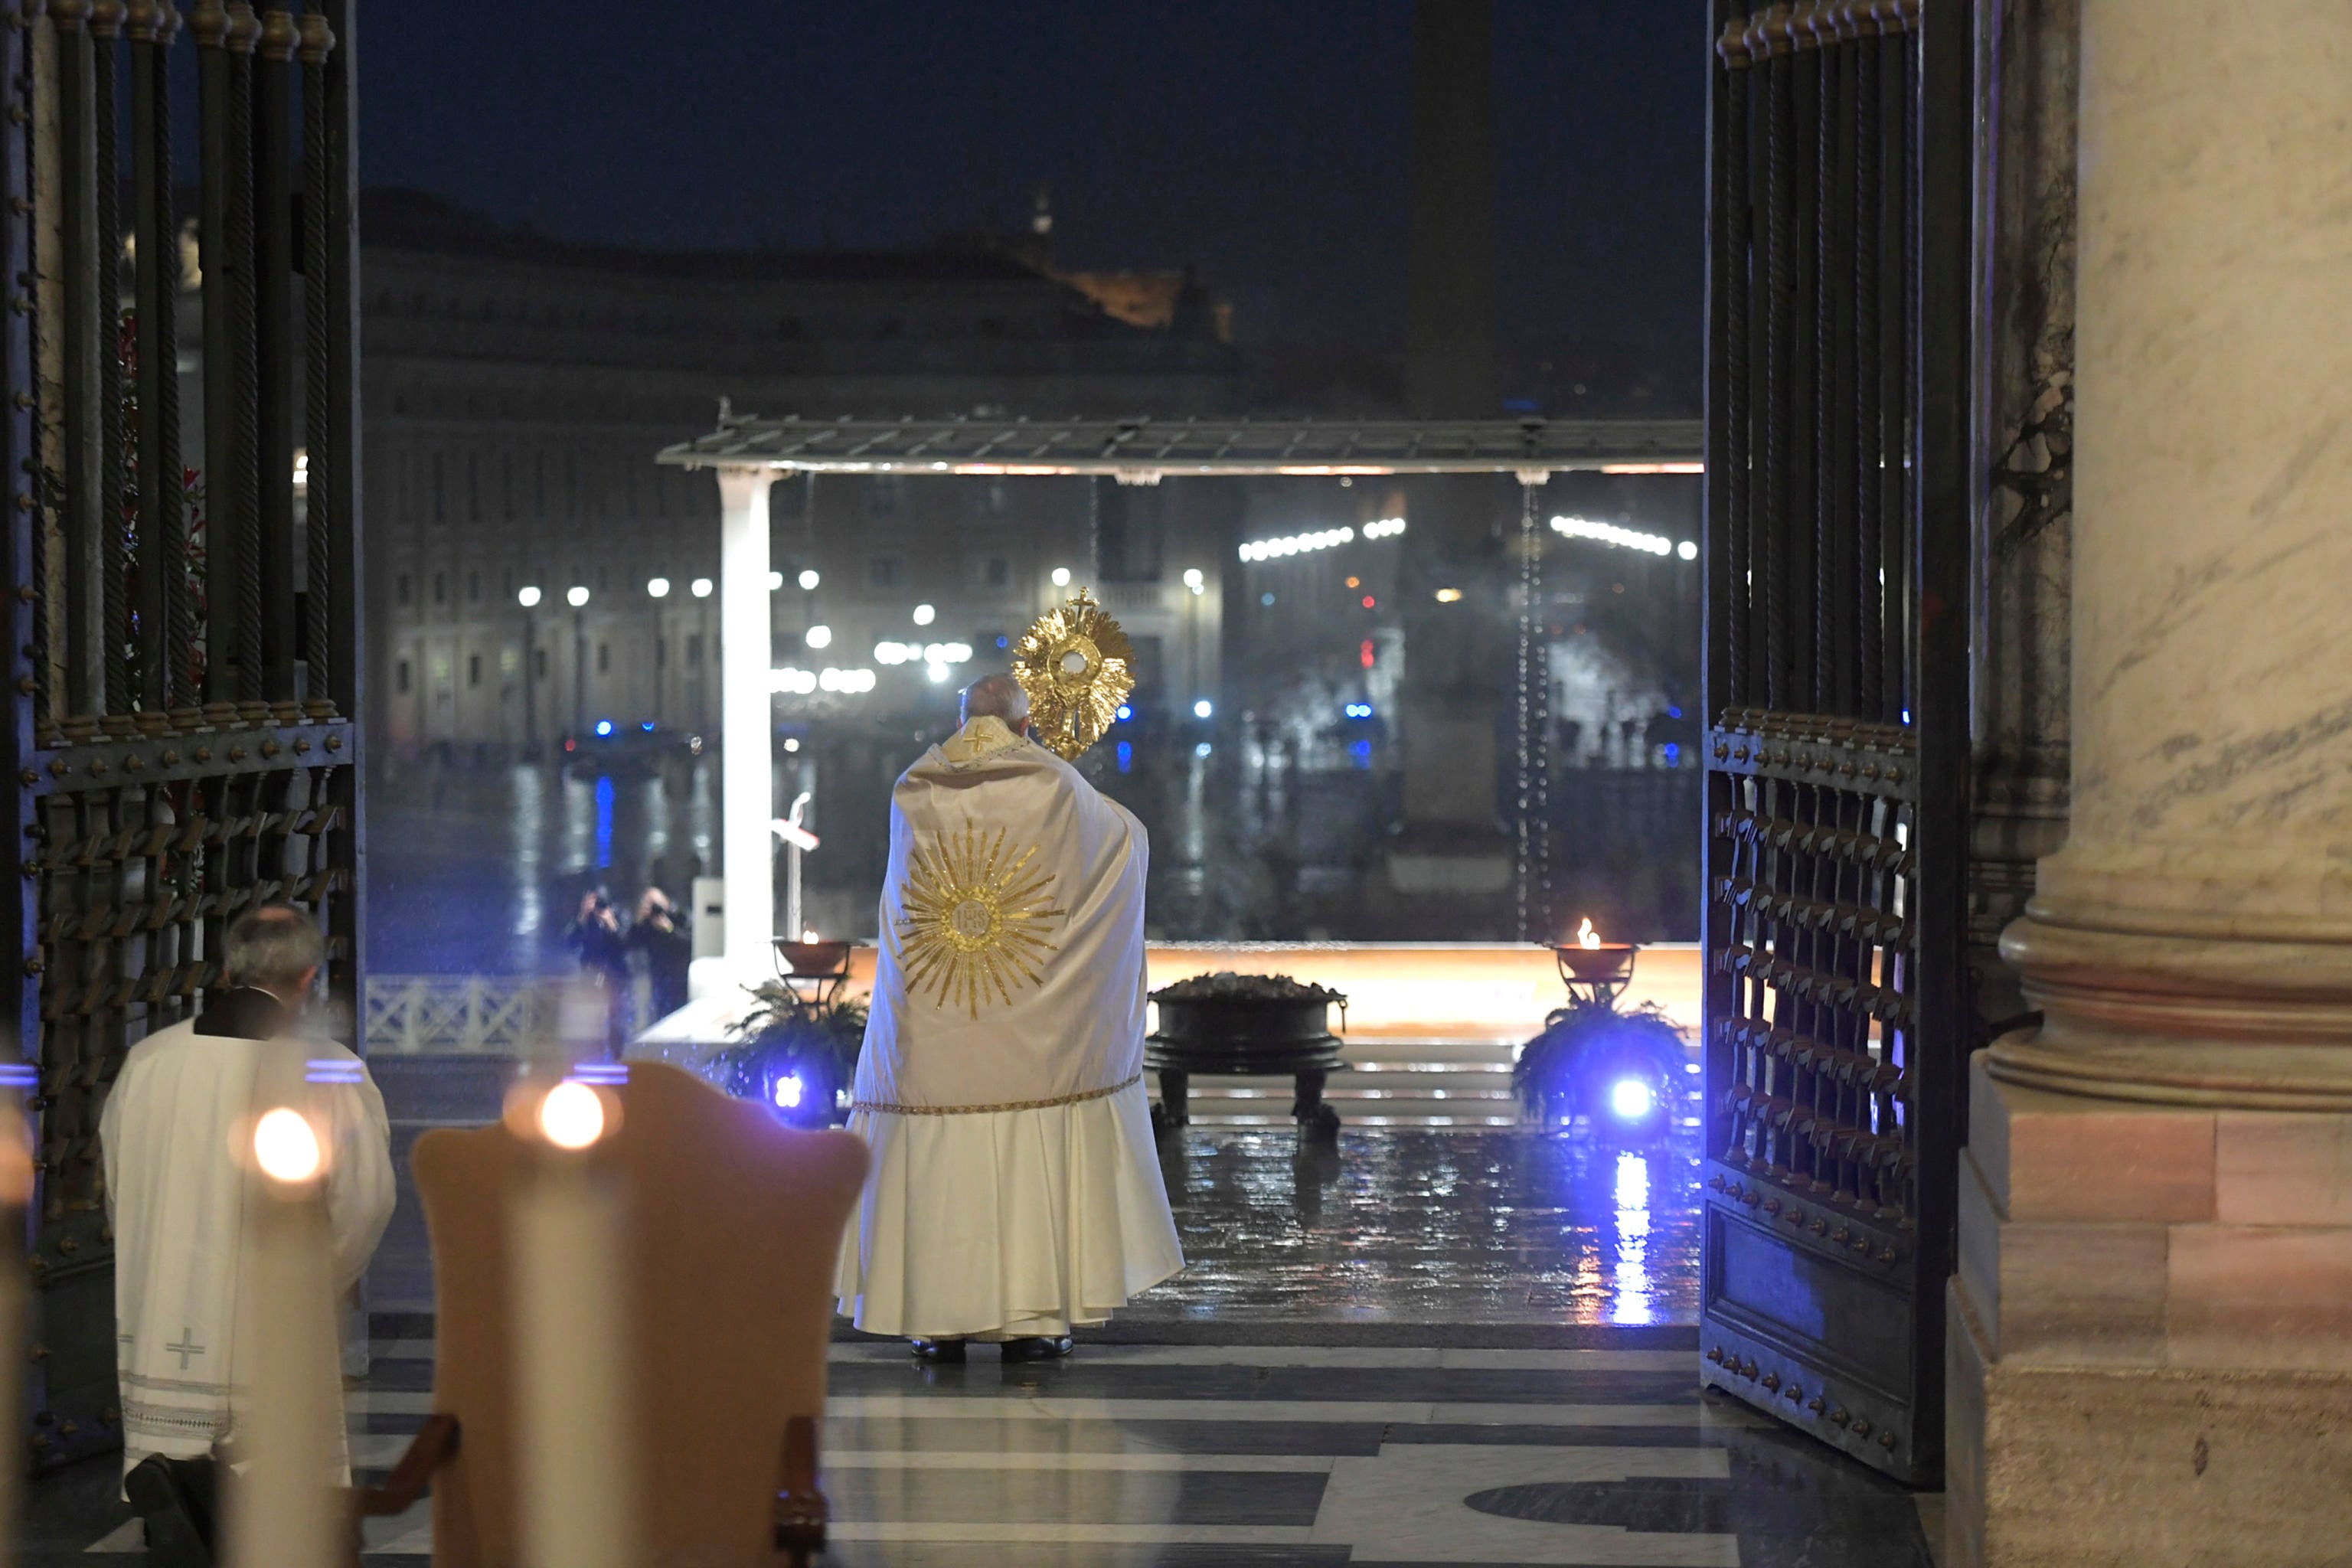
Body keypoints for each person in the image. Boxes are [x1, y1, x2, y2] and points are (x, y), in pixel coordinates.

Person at [835, 672, 1183, 1362]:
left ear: (961, 719)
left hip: (930, 1022)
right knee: (1029, 1150)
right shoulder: (1054, 786)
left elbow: (904, 900)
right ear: (1026, 726)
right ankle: (1032, 1322)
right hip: (1031, 1027)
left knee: (936, 1165)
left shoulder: (914, 787)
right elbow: (1123, 843)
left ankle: (934, 1322)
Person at [101, 903, 395, 1561]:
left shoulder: (150, 1062)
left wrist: (155, 1266)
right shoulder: (326, 1070)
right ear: (310, 975)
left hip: (167, 1319)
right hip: (276, 1317)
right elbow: (365, 1202)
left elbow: (119, 1186)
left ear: (229, 969)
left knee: (175, 1499)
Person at [628, 885, 694, 1021]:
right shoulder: (648, 924)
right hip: (657, 978)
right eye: (649, 904)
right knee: (658, 1018)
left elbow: (688, 943)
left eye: (656, 903)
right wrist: (639, 921)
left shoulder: (678, 916)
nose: (654, 908)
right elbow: (630, 944)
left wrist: (669, 929)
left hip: (679, 978)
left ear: (665, 901)